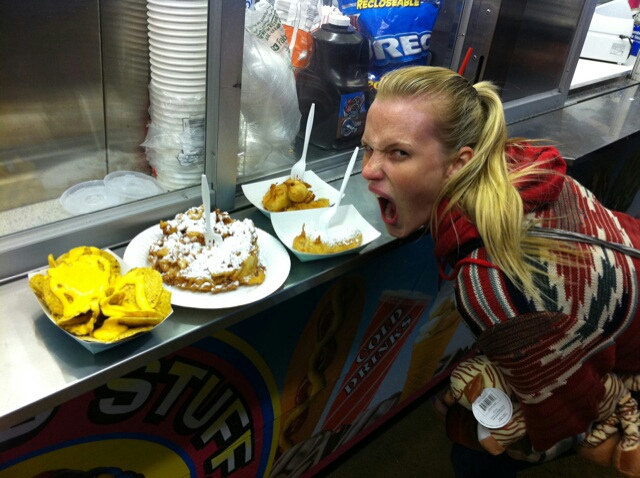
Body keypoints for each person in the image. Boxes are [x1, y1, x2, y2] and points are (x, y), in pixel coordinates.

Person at [360, 65, 640, 476]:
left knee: (472, 453)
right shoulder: (519, 164)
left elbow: (572, 414)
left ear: (460, 163)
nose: (368, 169)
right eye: (367, 148)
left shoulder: (491, 286)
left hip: (630, 349)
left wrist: (471, 428)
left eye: (398, 153)